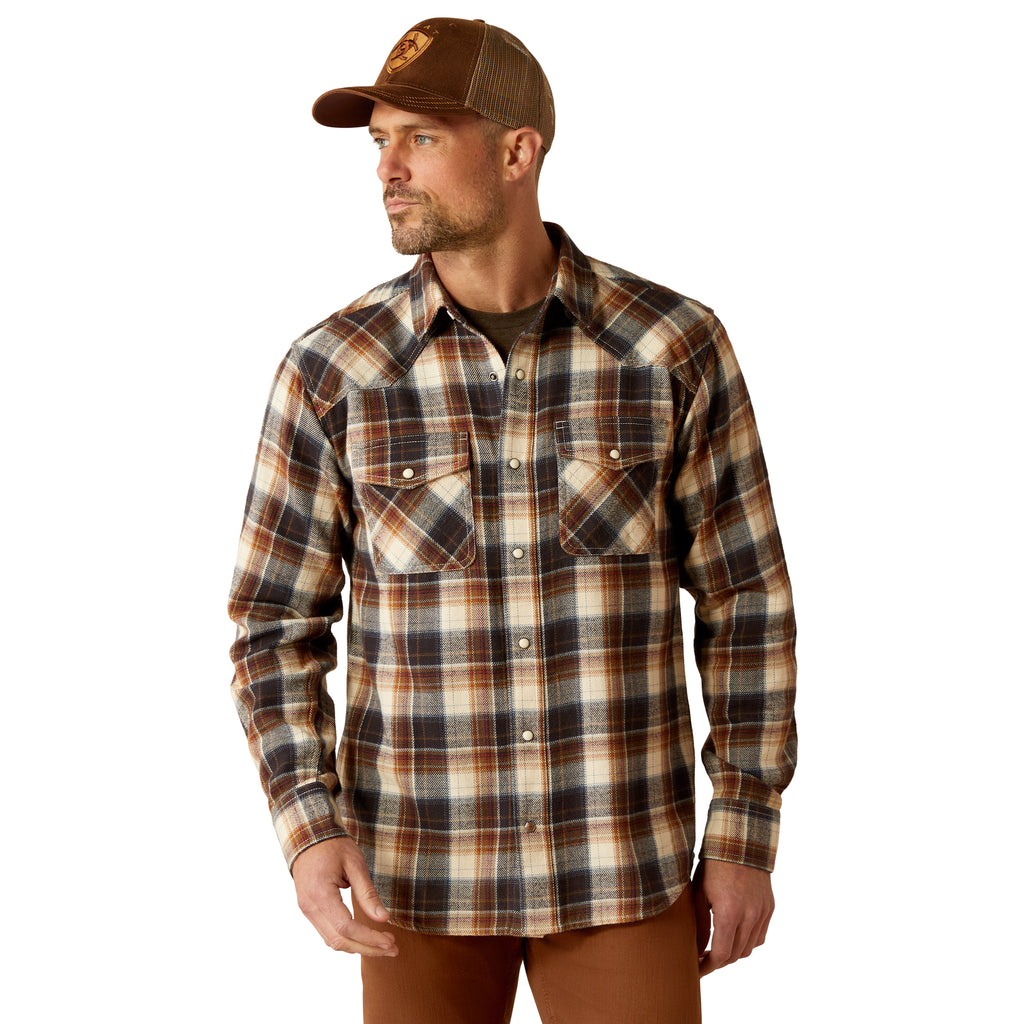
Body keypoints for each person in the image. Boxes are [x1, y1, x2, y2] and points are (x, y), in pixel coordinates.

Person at [229, 16, 797, 1024]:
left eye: (420, 138)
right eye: (380, 142)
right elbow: (274, 623)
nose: (388, 169)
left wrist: (745, 827)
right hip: (416, 878)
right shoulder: (333, 370)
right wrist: (308, 825)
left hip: (623, 866)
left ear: (517, 151)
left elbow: (745, 599)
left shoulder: (671, 347)